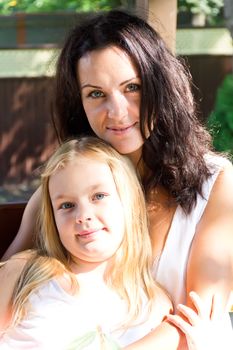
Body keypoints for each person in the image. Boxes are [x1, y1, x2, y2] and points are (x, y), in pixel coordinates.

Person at [1, 9, 233, 349]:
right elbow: (12, 278)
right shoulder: (65, 187)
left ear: (160, 85)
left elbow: (196, 321)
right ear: (78, 102)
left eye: (132, 87)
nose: (117, 111)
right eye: (96, 94)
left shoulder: (217, 184)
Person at [0, 137, 231, 350]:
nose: (83, 215)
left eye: (98, 196)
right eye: (67, 205)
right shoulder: (23, 273)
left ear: (127, 203)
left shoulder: (155, 307)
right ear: (53, 218)